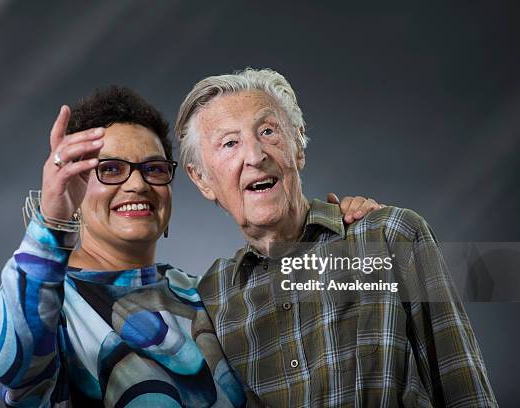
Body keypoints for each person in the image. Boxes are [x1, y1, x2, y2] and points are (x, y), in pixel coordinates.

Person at [0, 85, 380, 407]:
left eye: (153, 169)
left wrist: (329, 231)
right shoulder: (52, 300)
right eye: (110, 169)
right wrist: (52, 223)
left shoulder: (202, 294)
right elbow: (7, 358)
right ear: (75, 187)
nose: (137, 184)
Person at [176, 68, 498, 407]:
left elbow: (464, 390)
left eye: (268, 132)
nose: (255, 156)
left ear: (298, 146)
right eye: (230, 143)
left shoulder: (389, 238)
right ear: (202, 179)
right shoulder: (208, 301)